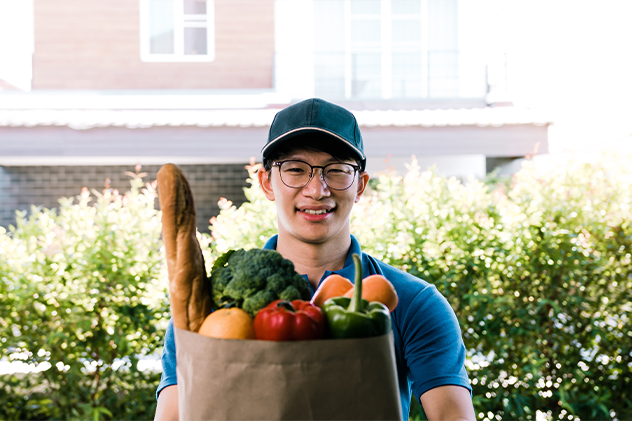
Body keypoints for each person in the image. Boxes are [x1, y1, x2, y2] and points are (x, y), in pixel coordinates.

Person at [154, 98, 475, 421]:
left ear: (360, 185)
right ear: (267, 182)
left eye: (336, 171)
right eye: (295, 170)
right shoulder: (209, 306)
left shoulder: (411, 302)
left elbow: (453, 417)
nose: (317, 189)